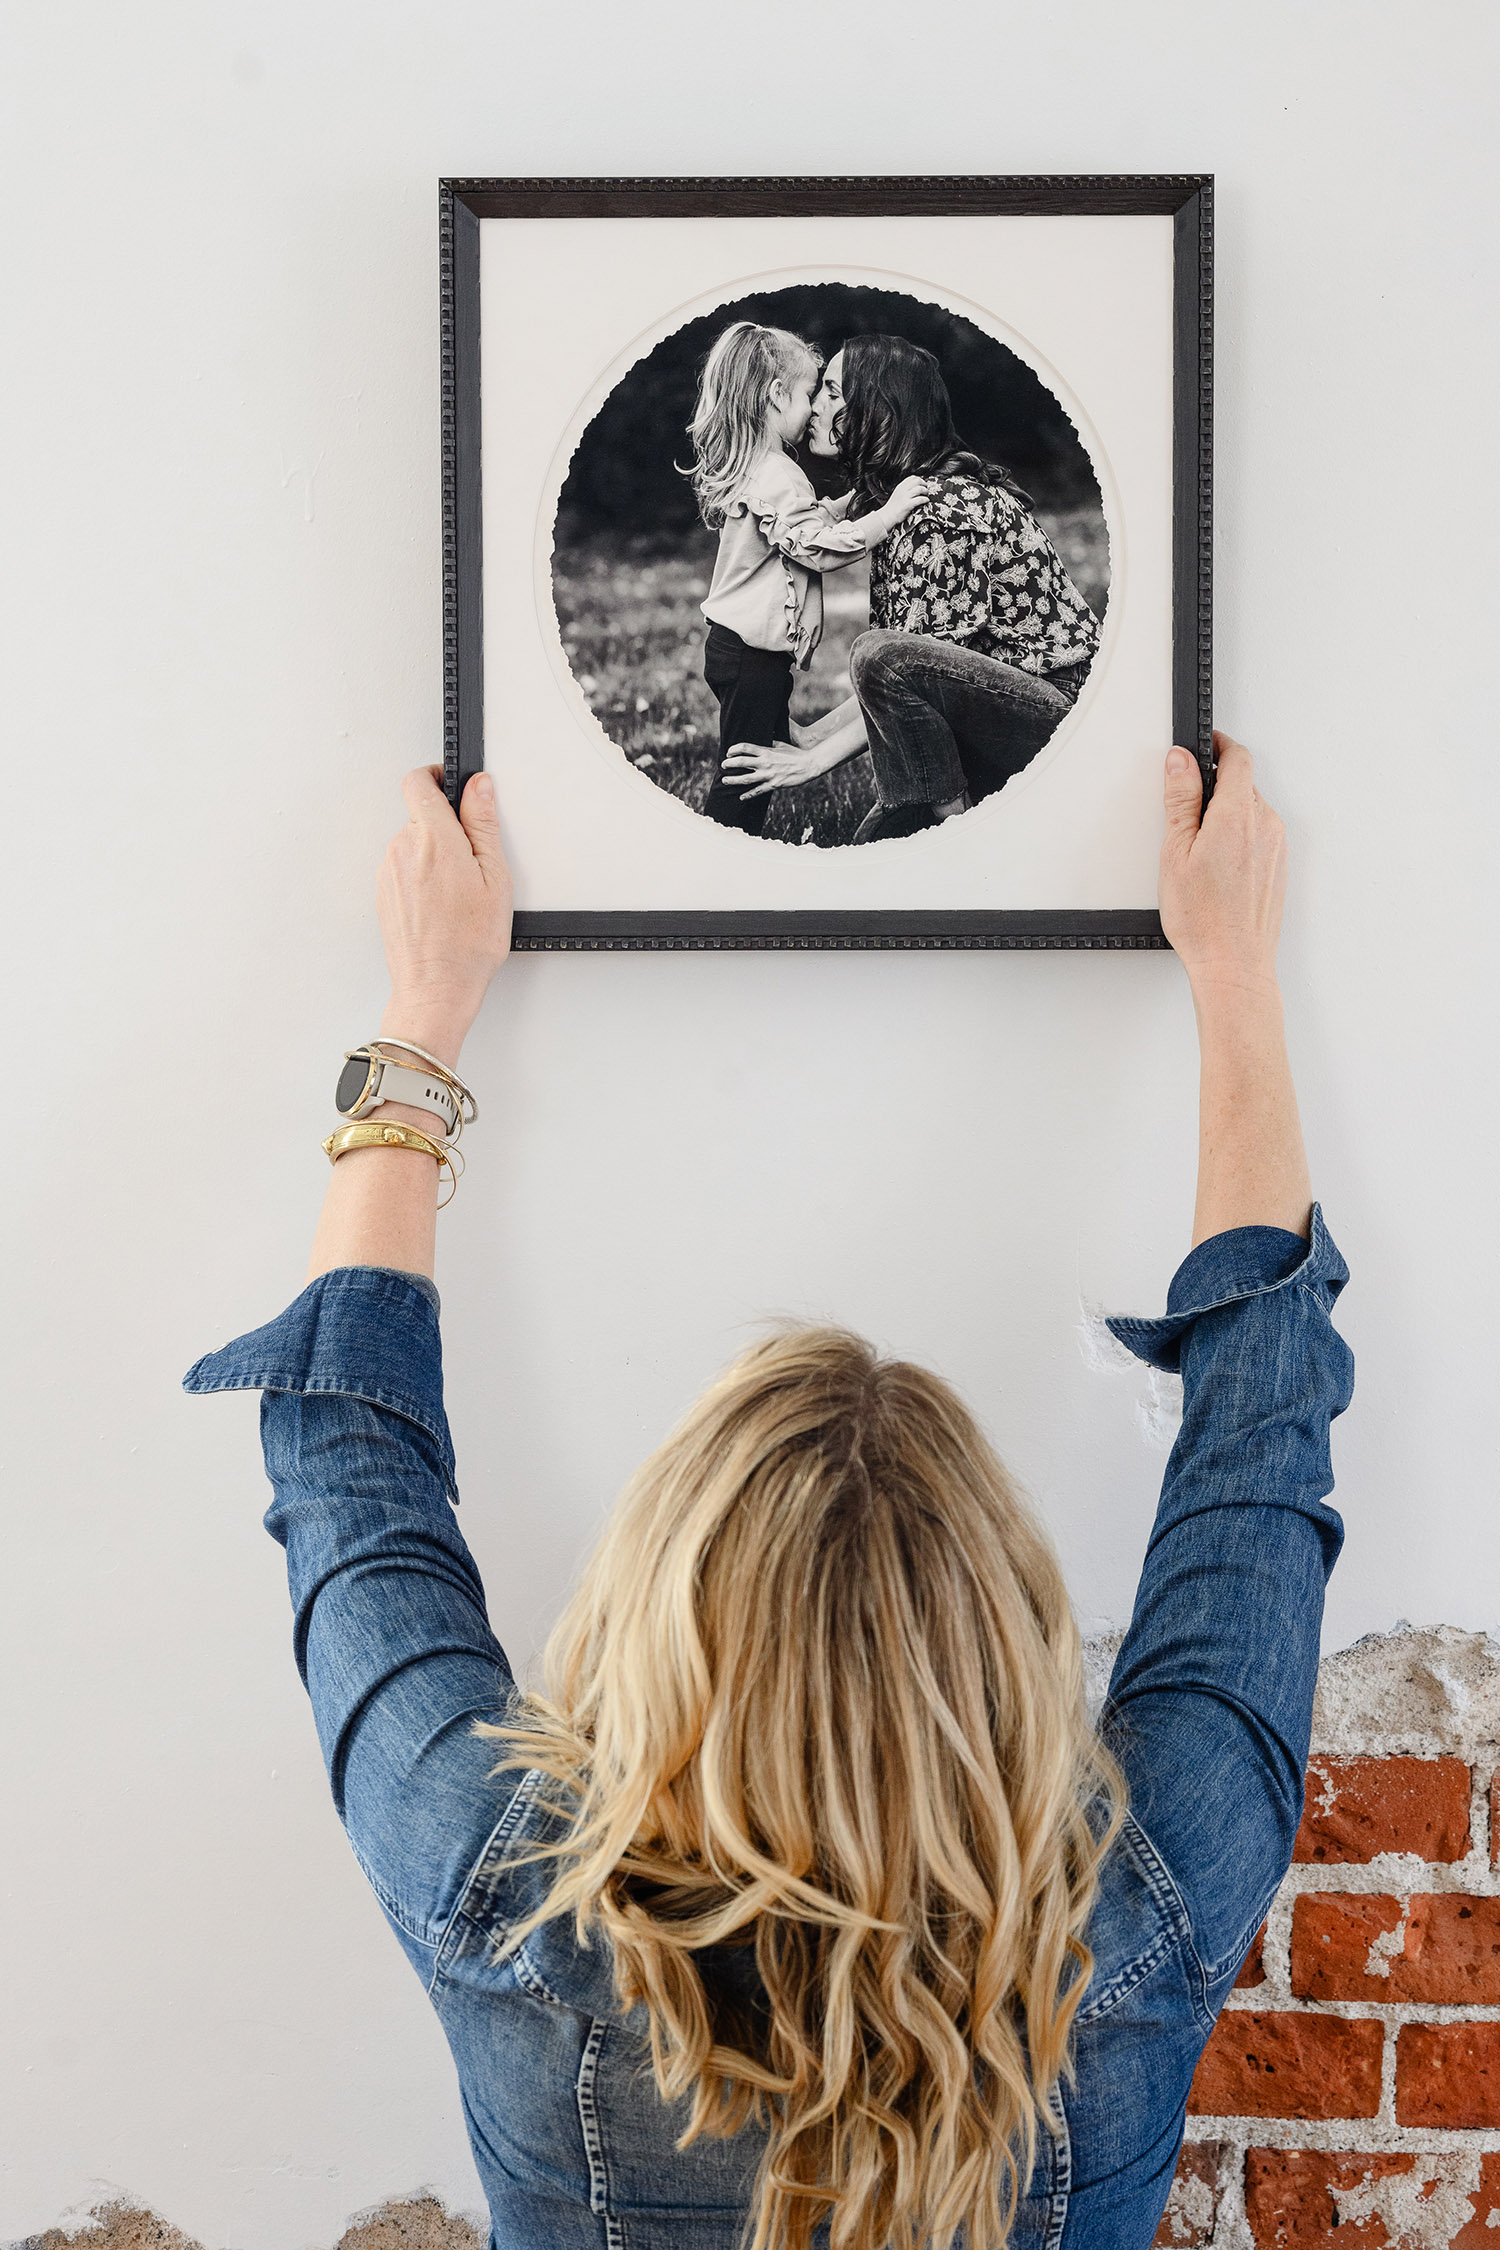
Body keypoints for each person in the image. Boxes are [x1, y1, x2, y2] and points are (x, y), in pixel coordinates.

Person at [184, 736, 1353, 2250]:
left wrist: (425, 1004)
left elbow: (349, 1468)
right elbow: (1260, 1454)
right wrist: (1237, 978)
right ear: (1000, 1645)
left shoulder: (508, 1899)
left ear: (655, 1616)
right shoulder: (1152, 1901)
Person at [722, 335, 1101, 843]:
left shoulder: (943, 510)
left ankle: (961, 828)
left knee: (877, 652)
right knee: (872, 853)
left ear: (879, 410)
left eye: (832, 392)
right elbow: (913, 677)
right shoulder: (896, 503)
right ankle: (955, 820)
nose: (814, 405)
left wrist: (813, 761)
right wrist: (813, 733)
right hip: (986, 717)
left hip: (1062, 718)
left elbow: (907, 664)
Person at [686, 319, 930, 834]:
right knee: (748, 774)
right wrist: (887, 516)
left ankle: (736, 837)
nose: (816, 406)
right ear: (777, 395)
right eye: (807, 392)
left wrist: (847, 506)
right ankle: (726, 848)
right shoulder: (776, 473)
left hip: (739, 650)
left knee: (763, 749)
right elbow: (814, 549)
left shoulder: (764, 468)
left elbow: (805, 523)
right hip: (752, 658)